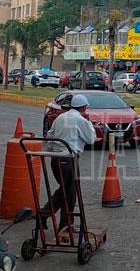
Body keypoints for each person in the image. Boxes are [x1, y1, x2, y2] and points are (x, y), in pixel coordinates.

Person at [44, 94, 95, 232]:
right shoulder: (80, 120)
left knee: (65, 190)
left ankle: (47, 215)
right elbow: (91, 139)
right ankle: (65, 224)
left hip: (55, 159)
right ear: (84, 107)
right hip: (68, 159)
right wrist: (89, 123)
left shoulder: (61, 117)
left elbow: (49, 135)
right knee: (70, 193)